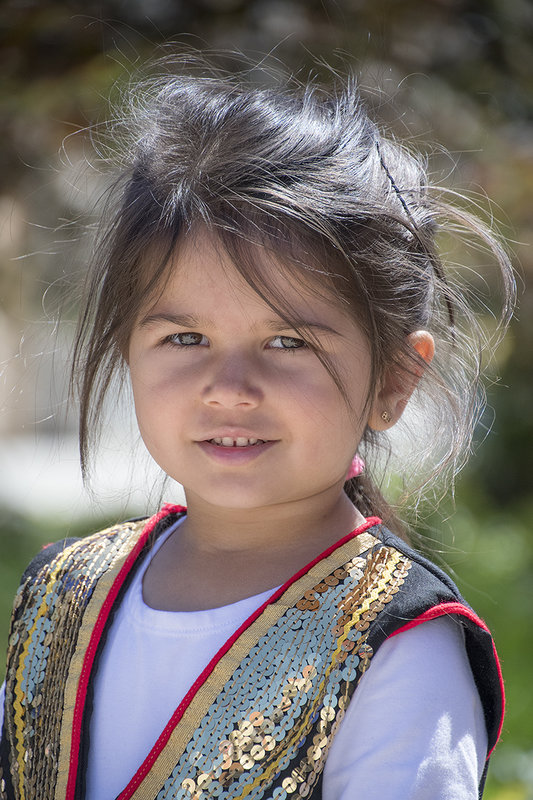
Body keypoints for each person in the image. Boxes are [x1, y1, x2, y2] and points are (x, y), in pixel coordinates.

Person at [0, 54, 514, 800]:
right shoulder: (62, 596)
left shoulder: (395, 646)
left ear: (394, 379)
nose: (230, 389)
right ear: (127, 352)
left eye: (287, 343)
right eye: (185, 338)